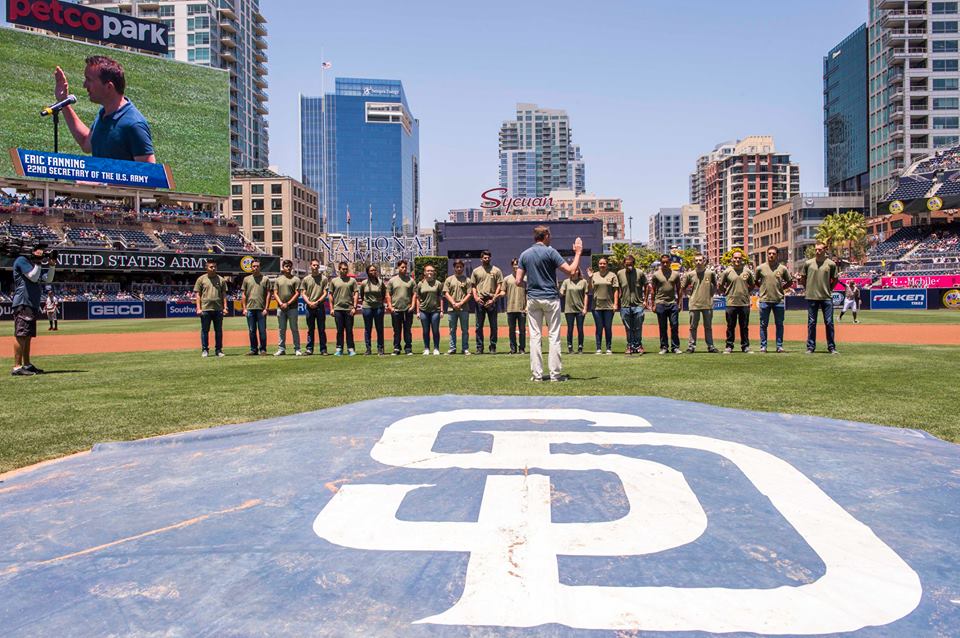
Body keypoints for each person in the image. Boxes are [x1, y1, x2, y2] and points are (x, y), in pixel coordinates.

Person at [54, 56, 156, 163]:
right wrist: (64, 101)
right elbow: (86, 144)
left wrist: (99, 180)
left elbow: (148, 174)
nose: (84, 85)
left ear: (109, 87)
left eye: (89, 80)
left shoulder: (134, 124)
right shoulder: (104, 113)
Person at [515, 225, 583, 382]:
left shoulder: (525, 254)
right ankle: (555, 375)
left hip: (533, 299)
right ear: (545, 236)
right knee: (554, 336)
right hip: (551, 298)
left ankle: (537, 375)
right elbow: (572, 271)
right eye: (549, 234)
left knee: (534, 337)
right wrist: (578, 253)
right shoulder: (551, 251)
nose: (551, 237)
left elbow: (518, 281)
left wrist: (533, 281)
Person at [10, 244, 56, 376]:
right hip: (23, 302)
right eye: (39, 250)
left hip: (31, 304)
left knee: (27, 335)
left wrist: (52, 265)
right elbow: (34, 277)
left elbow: (48, 279)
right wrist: (39, 262)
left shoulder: (32, 264)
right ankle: (17, 367)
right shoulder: (22, 260)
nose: (42, 252)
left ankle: (27, 365)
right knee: (21, 334)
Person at [800, 242, 839, 354]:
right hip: (812, 296)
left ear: (825, 250)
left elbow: (835, 279)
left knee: (829, 322)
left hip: (826, 296)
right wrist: (808, 288)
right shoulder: (808, 263)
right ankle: (810, 347)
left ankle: (831, 347)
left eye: (820, 249)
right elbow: (803, 278)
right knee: (811, 323)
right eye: (816, 249)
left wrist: (830, 289)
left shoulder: (831, 264)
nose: (817, 251)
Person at [755, 247, 792, 353]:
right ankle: (763, 346)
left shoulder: (782, 268)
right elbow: (755, 281)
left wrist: (781, 288)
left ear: (777, 255)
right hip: (764, 300)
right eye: (769, 253)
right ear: (767, 254)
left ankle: (779, 346)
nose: (771, 255)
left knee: (779, 324)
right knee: (763, 325)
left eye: (773, 254)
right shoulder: (760, 268)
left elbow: (789, 281)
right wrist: (762, 287)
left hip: (778, 300)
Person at [681, 253, 719, 353]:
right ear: (694, 262)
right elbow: (683, 287)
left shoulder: (710, 273)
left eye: (700, 260)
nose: (698, 262)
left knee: (708, 327)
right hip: (694, 304)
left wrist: (710, 295)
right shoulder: (690, 274)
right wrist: (689, 296)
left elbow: (715, 286)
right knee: (693, 327)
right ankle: (691, 346)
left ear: (704, 261)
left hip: (707, 304)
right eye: (696, 260)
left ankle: (710, 346)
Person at [719, 250, 755, 354]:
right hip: (731, 303)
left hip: (744, 303)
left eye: (739, 258)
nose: (737, 260)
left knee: (744, 327)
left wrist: (746, 292)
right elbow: (720, 285)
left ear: (742, 259)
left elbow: (752, 284)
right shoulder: (727, 271)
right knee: (730, 326)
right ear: (732, 259)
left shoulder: (747, 271)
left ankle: (745, 346)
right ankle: (729, 346)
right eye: (735, 258)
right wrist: (725, 292)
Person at [471, 250, 504, 354]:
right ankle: (479, 347)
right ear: (481, 259)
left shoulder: (496, 270)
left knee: (493, 325)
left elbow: (499, 284)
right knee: (478, 326)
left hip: (491, 300)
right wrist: (476, 297)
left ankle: (492, 346)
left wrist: (494, 298)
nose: (487, 259)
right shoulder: (476, 271)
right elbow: (473, 286)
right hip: (480, 300)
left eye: (488, 257)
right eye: (485, 257)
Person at [194, 258, 228, 358]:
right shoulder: (201, 279)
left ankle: (218, 350)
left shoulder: (221, 279)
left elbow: (224, 295)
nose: (213, 268)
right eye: (211, 267)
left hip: (218, 309)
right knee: (205, 330)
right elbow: (198, 295)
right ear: (206, 268)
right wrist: (198, 308)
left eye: (215, 267)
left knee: (218, 331)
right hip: (205, 309)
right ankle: (205, 350)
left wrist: (225, 307)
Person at [650, 255, 682, 354]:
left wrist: (679, 303)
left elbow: (679, 289)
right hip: (660, 303)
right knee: (662, 327)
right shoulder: (656, 275)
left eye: (667, 262)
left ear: (670, 262)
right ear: (660, 263)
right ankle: (664, 347)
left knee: (675, 325)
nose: (665, 264)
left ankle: (675, 347)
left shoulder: (675, 274)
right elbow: (653, 290)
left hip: (672, 303)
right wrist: (653, 304)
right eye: (663, 262)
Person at [616, 255, 647, 355]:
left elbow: (647, 286)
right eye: (627, 264)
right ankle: (630, 345)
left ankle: (638, 345)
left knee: (638, 327)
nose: (629, 266)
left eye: (631, 264)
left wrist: (645, 300)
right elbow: (618, 287)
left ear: (634, 264)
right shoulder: (619, 273)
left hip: (638, 304)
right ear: (624, 264)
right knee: (628, 328)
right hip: (625, 305)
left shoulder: (640, 273)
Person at [587, 257, 619, 354]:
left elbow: (616, 290)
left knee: (608, 327)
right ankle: (599, 348)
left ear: (607, 264)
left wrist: (615, 304)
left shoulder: (612, 275)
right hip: (596, 306)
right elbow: (590, 289)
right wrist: (590, 277)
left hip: (609, 306)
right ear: (598, 264)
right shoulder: (594, 275)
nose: (602, 265)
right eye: (600, 263)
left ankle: (609, 348)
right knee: (599, 327)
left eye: (604, 263)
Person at [272, 259, 302, 356]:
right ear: (283, 268)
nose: (288, 268)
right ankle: (281, 349)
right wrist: (281, 303)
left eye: (289, 266)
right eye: (286, 266)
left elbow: (297, 293)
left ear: (292, 267)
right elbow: (275, 293)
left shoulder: (296, 279)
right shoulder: (278, 280)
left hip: (292, 308)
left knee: (294, 329)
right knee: (281, 329)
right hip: (281, 308)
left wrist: (287, 303)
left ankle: (297, 349)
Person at [241, 258, 271, 355]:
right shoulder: (246, 279)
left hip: (261, 309)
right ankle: (253, 349)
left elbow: (268, 294)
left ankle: (263, 349)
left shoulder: (265, 279)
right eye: (254, 266)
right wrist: (244, 308)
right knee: (251, 330)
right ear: (251, 268)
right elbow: (244, 295)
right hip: (250, 309)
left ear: (260, 267)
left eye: (257, 266)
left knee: (262, 331)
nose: (256, 268)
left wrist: (266, 308)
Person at [386, 259, 416, 355]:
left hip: (408, 309)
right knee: (397, 330)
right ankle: (396, 348)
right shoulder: (392, 280)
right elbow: (388, 294)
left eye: (405, 267)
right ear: (398, 268)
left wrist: (413, 305)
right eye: (402, 267)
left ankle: (408, 348)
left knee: (407, 330)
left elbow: (414, 294)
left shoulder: (411, 281)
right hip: (396, 309)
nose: (404, 269)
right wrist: (390, 306)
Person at [443, 259, 473, 355]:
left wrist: (460, 303)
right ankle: (452, 348)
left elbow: (469, 294)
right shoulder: (449, 279)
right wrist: (454, 303)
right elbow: (446, 293)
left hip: (464, 308)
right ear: (454, 268)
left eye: (461, 267)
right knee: (452, 330)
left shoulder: (467, 280)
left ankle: (465, 348)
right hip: (452, 309)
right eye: (457, 267)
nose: (459, 268)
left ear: (463, 268)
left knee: (465, 330)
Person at [328, 261, 358, 356]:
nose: (344, 271)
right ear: (339, 270)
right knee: (339, 330)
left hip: (349, 309)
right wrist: (332, 308)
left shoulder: (352, 281)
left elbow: (356, 293)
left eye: (346, 269)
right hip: (338, 309)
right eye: (343, 269)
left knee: (349, 330)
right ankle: (339, 348)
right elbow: (330, 294)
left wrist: (354, 306)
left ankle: (351, 349)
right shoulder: (334, 281)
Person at [299, 259, 329, 356]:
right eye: (314, 265)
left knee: (321, 329)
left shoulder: (324, 279)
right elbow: (303, 292)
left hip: (320, 306)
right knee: (310, 329)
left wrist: (318, 301)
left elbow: (325, 292)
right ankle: (309, 349)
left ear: (319, 267)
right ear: (310, 266)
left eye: (317, 265)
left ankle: (323, 349)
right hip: (309, 306)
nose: (315, 267)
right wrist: (309, 302)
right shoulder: (306, 279)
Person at [415, 264, 443, 355]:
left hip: (435, 310)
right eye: (428, 271)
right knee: (425, 330)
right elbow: (418, 298)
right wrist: (418, 311)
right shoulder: (420, 284)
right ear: (424, 272)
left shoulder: (438, 283)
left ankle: (436, 348)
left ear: (434, 272)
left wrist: (442, 310)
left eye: (431, 270)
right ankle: (426, 348)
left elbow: (441, 297)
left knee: (435, 330)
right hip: (424, 311)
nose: (430, 272)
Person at [359, 264, 387, 355]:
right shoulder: (364, 283)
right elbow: (362, 294)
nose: (373, 272)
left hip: (378, 307)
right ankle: (368, 349)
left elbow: (383, 294)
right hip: (367, 307)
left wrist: (379, 302)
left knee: (379, 328)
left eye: (375, 270)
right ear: (367, 272)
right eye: (371, 270)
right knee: (368, 328)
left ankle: (380, 349)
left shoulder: (380, 282)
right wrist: (367, 302)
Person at [560, 268, 588, 354]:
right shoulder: (566, 282)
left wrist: (585, 308)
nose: (574, 272)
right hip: (569, 309)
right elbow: (561, 292)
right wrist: (560, 291)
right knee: (570, 329)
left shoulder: (583, 281)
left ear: (579, 271)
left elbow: (586, 295)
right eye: (572, 270)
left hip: (580, 309)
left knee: (580, 329)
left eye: (576, 270)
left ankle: (580, 347)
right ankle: (570, 347)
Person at [503, 258, 528, 355]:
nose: (516, 266)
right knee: (511, 330)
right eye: (514, 264)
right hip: (510, 308)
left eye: (517, 265)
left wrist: (527, 306)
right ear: (512, 266)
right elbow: (503, 291)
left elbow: (528, 294)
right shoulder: (507, 279)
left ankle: (522, 349)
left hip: (522, 309)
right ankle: (513, 349)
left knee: (522, 330)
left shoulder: (525, 279)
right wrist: (495, 295)